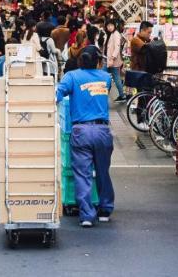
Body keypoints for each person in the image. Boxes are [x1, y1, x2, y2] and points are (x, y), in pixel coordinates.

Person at [56, 48, 116, 227]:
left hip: (80, 131)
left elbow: (57, 95)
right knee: (103, 171)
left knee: (82, 174)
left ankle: (87, 215)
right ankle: (105, 210)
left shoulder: (71, 77)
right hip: (102, 130)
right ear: (98, 61)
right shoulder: (105, 77)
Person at [103, 20, 127, 101]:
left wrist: (113, 58)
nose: (109, 27)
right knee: (114, 77)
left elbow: (117, 48)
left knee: (108, 77)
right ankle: (121, 95)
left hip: (113, 60)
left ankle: (105, 94)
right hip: (108, 59)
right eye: (108, 26)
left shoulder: (116, 34)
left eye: (111, 25)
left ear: (114, 25)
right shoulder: (110, 34)